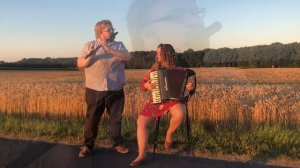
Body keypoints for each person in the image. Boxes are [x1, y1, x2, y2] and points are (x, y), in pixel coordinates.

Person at [130, 44, 194, 166]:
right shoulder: (154, 70)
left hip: (174, 101)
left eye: (159, 53)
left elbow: (189, 91)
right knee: (141, 122)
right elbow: (142, 85)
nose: (157, 55)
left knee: (181, 113)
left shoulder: (181, 70)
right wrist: (146, 86)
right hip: (157, 101)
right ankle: (141, 155)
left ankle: (169, 135)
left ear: (166, 54)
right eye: (157, 53)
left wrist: (190, 88)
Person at [77, 19, 131, 158]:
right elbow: (80, 64)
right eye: (109, 30)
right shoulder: (89, 45)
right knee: (92, 119)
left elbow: (127, 57)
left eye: (112, 29)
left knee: (116, 119)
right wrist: (90, 56)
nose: (112, 31)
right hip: (95, 89)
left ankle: (117, 143)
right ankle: (88, 145)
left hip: (116, 89)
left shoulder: (119, 45)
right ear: (100, 33)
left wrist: (108, 48)